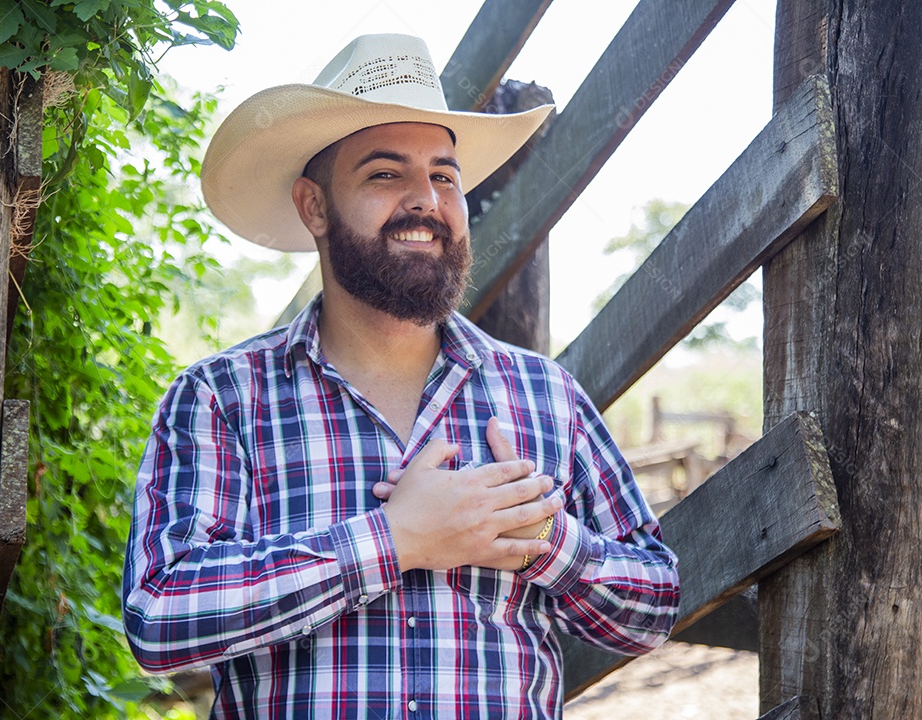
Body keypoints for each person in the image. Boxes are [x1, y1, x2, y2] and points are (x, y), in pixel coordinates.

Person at [123, 34, 679, 718]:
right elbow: (159, 617)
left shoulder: (547, 395)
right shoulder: (222, 398)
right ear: (314, 206)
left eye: (445, 176)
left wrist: (548, 541)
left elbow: (653, 607)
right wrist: (393, 540)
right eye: (386, 174)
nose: (427, 200)